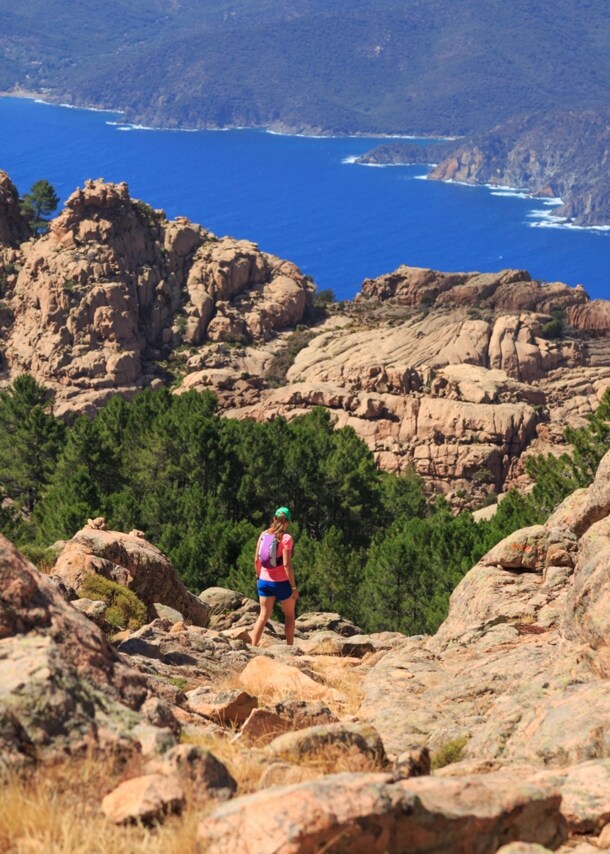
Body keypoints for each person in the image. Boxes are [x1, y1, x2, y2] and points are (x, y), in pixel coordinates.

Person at [251, 506, 298, 646]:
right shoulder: (286, 538)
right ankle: (290, 648)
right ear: (288, 522)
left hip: (264, 581)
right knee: (289, 616)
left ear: (274, 519)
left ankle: (253, 647)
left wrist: (259, 577)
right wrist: (294, 587)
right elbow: (286, 565)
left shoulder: (264, 534)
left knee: (263, 616)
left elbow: (256, 560)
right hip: (282, 583)